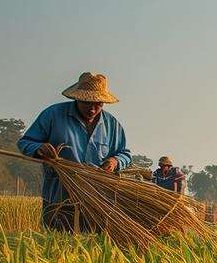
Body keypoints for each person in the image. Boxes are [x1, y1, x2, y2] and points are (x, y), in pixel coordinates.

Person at [17, 72, 131, 231]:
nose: (92, 109)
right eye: (87, 103)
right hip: (59, 198)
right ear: (77, 98)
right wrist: (39, 149)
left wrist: (114, 161)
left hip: (97, 200)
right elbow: (25, 143)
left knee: (93, 248)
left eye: (98, 104)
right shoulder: (53, 115)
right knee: (56, 245)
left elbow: (124, 154)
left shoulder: (112, 125)